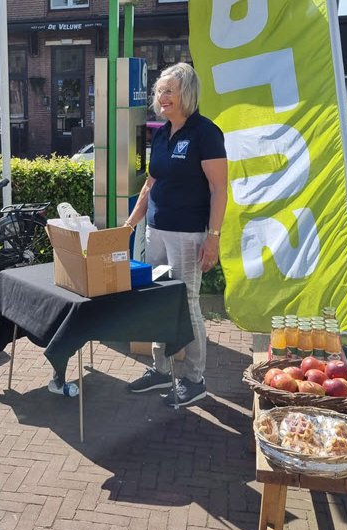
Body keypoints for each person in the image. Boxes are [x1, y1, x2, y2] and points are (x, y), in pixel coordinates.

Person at [123, 63, 228, 407]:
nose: (162, 97)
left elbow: (218, 188)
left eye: (169, 90)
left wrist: (213, 236)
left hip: (189, 235)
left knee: (187, 302)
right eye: (159, 91)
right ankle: (159, 369)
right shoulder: (162, 133)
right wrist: (129, 225)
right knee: (157, 299)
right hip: (156, 230)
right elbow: (150, 186)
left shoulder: (205, 132)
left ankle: (195, 379)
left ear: (187, 92)